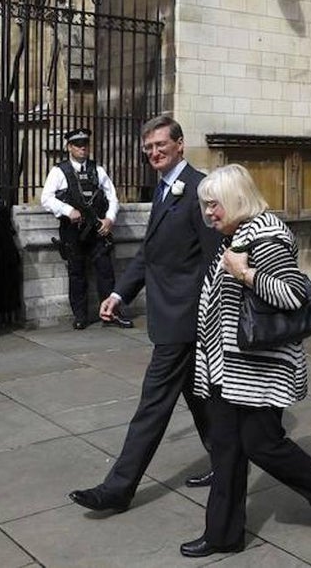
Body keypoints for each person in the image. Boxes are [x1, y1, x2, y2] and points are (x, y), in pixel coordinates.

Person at [179, 164, 311, 558]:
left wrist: (245, 274)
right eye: (205, 207)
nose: (208, 214)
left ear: (234, 200)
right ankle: (223, 534)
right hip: (229, 369)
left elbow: (293, 295)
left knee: (263, 446)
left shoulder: (266, 236)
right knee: (226, 449)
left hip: (258, 369)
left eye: (213, 206)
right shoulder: (239, 233)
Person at [69, 115, 218, 513]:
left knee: (152, 406)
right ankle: (225, 460)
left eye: (160, 145)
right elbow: (151, 253)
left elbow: (214, 259)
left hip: (185, 320)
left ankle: (118, 488)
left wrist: (204, 317)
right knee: (200, 398)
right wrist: (119, 292)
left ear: (180, 144)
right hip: (170, 316)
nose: (153, 152)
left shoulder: (201, 189)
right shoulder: (165, 188)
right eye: (148, 147)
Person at [40, 127, 126, 330]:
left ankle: (110, 314)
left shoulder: (98, 170)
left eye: (85, 144)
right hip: (72, 231)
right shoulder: (59, 171)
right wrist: (67, 210)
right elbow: (46, 198)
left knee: (105, 272)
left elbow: (112, 197)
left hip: (97, 230)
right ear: (69, 147)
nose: (82, 148)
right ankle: (80, 315)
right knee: (77, 273)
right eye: (78, 145)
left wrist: (109, 219)